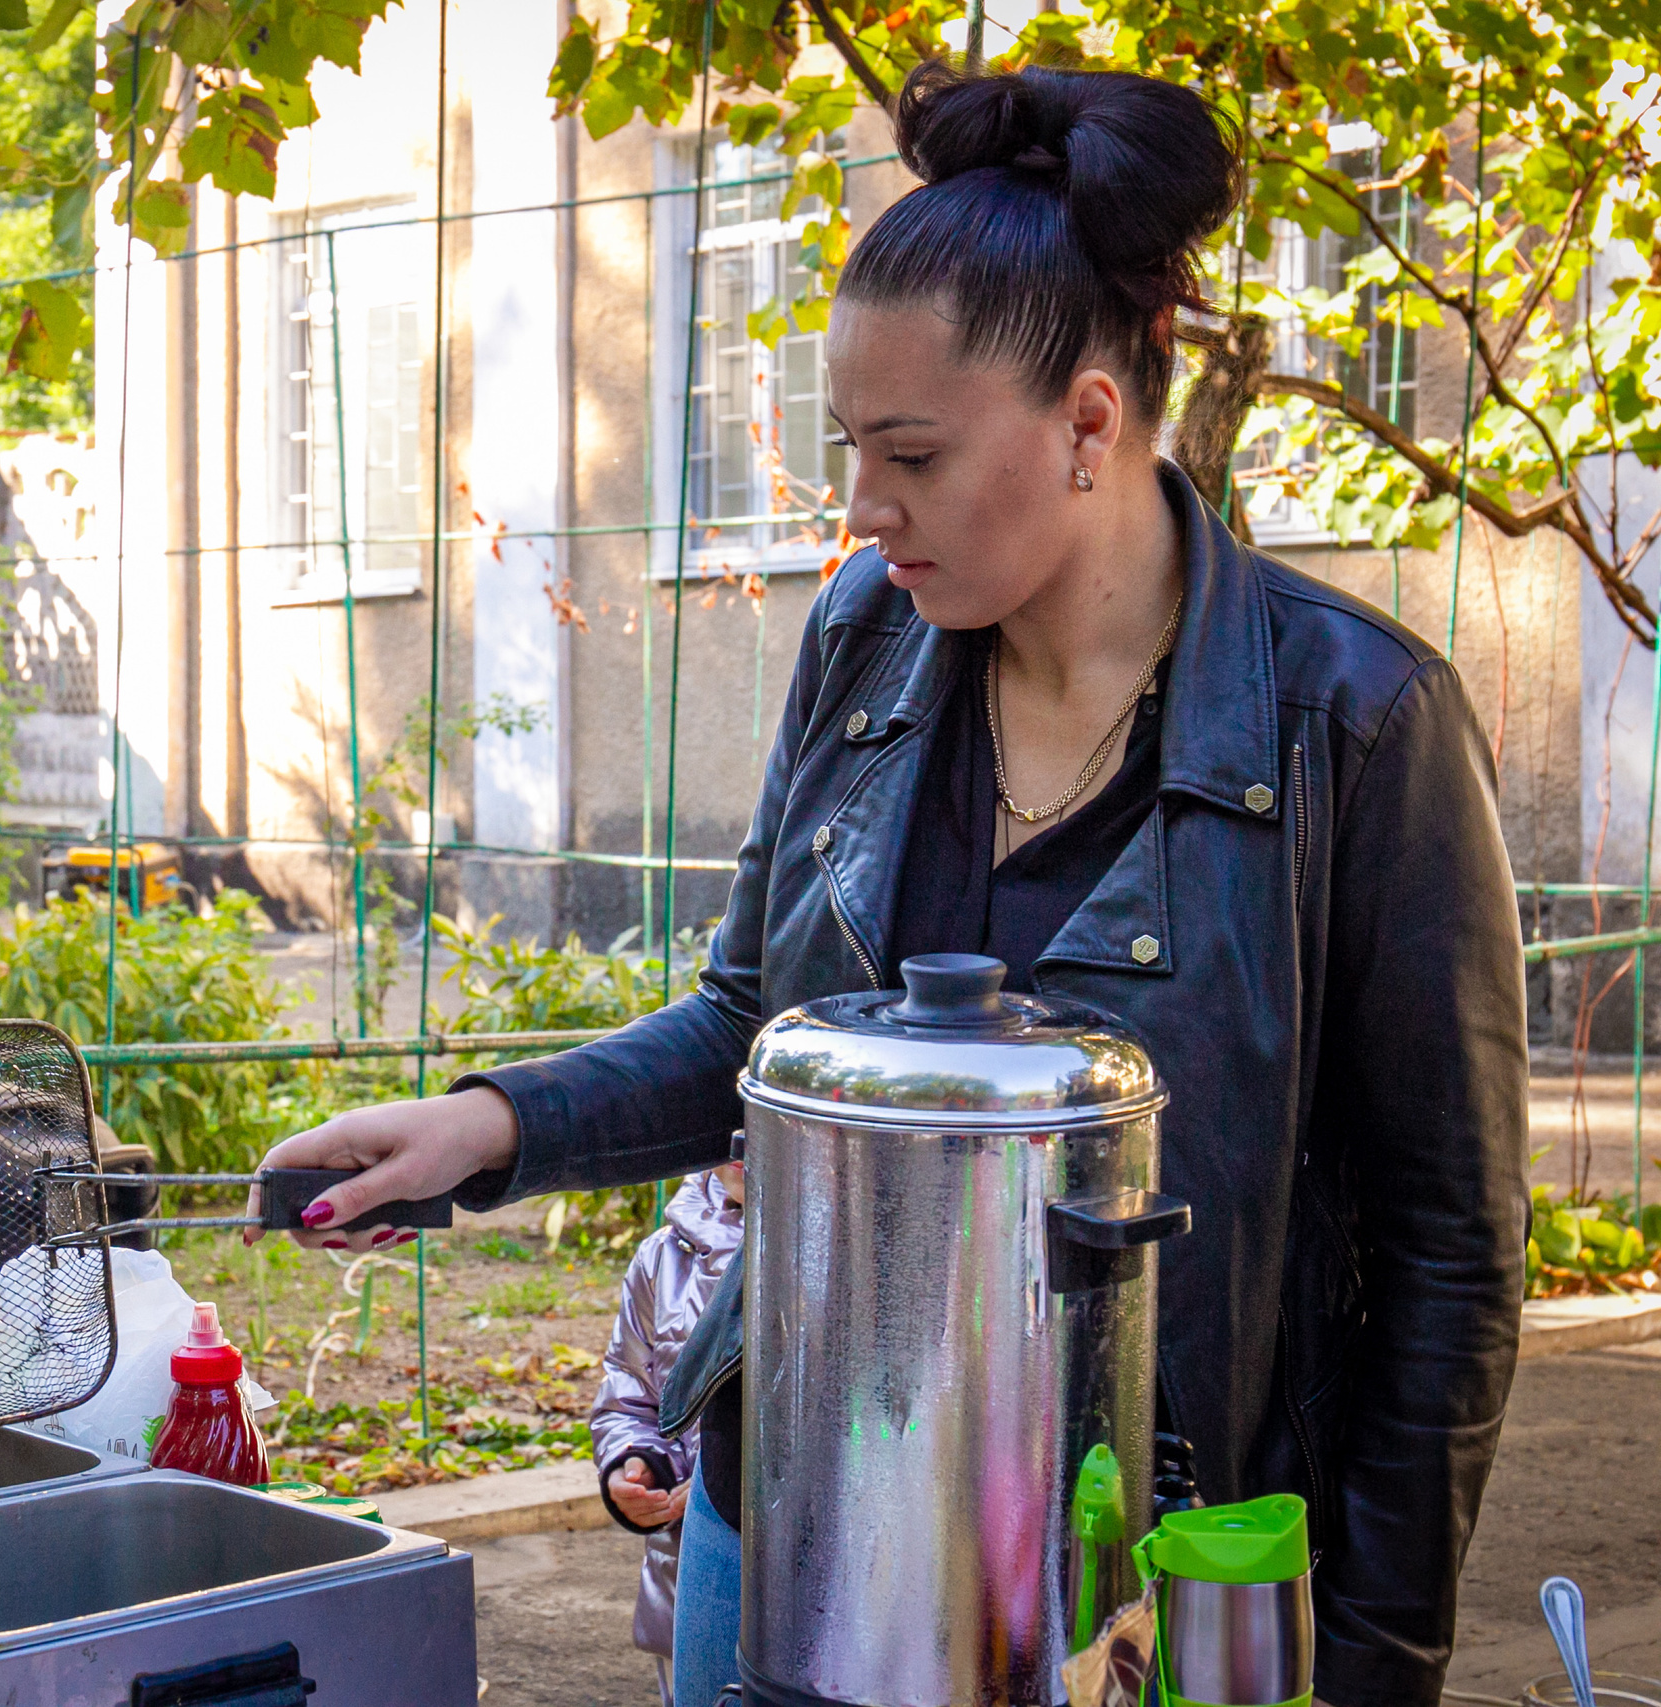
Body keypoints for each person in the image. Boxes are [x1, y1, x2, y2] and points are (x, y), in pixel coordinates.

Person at [258, 61, 1528, 1707]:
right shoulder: (863, 642)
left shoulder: (1357, 723)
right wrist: (493, 1129)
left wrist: (1373, 1664)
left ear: (1086, 422)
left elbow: (1452, 1260)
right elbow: (754, 1023)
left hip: (1127, 1573)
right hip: (783, 1499)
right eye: (854, 448)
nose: (864, 512)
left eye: (911, 455)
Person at [591, 1162, 743, 1707]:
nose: (744, 1142)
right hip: (685, 1571)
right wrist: (635, 1464)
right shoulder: (664, 1255)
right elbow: (630, 1392)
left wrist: (730, 1480)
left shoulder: (852, 1245)